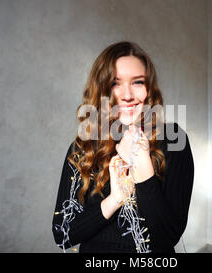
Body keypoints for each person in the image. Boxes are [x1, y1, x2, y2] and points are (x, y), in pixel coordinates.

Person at [52, 41, 194, 253]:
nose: (127, 95)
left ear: (149, 88)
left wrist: (143, 166)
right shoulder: (82, 149)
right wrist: (115, 199)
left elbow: (167, 237)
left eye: (137, 82)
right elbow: (62, 235)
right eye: (115, 83)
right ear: (101, 89)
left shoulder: (173, 140)